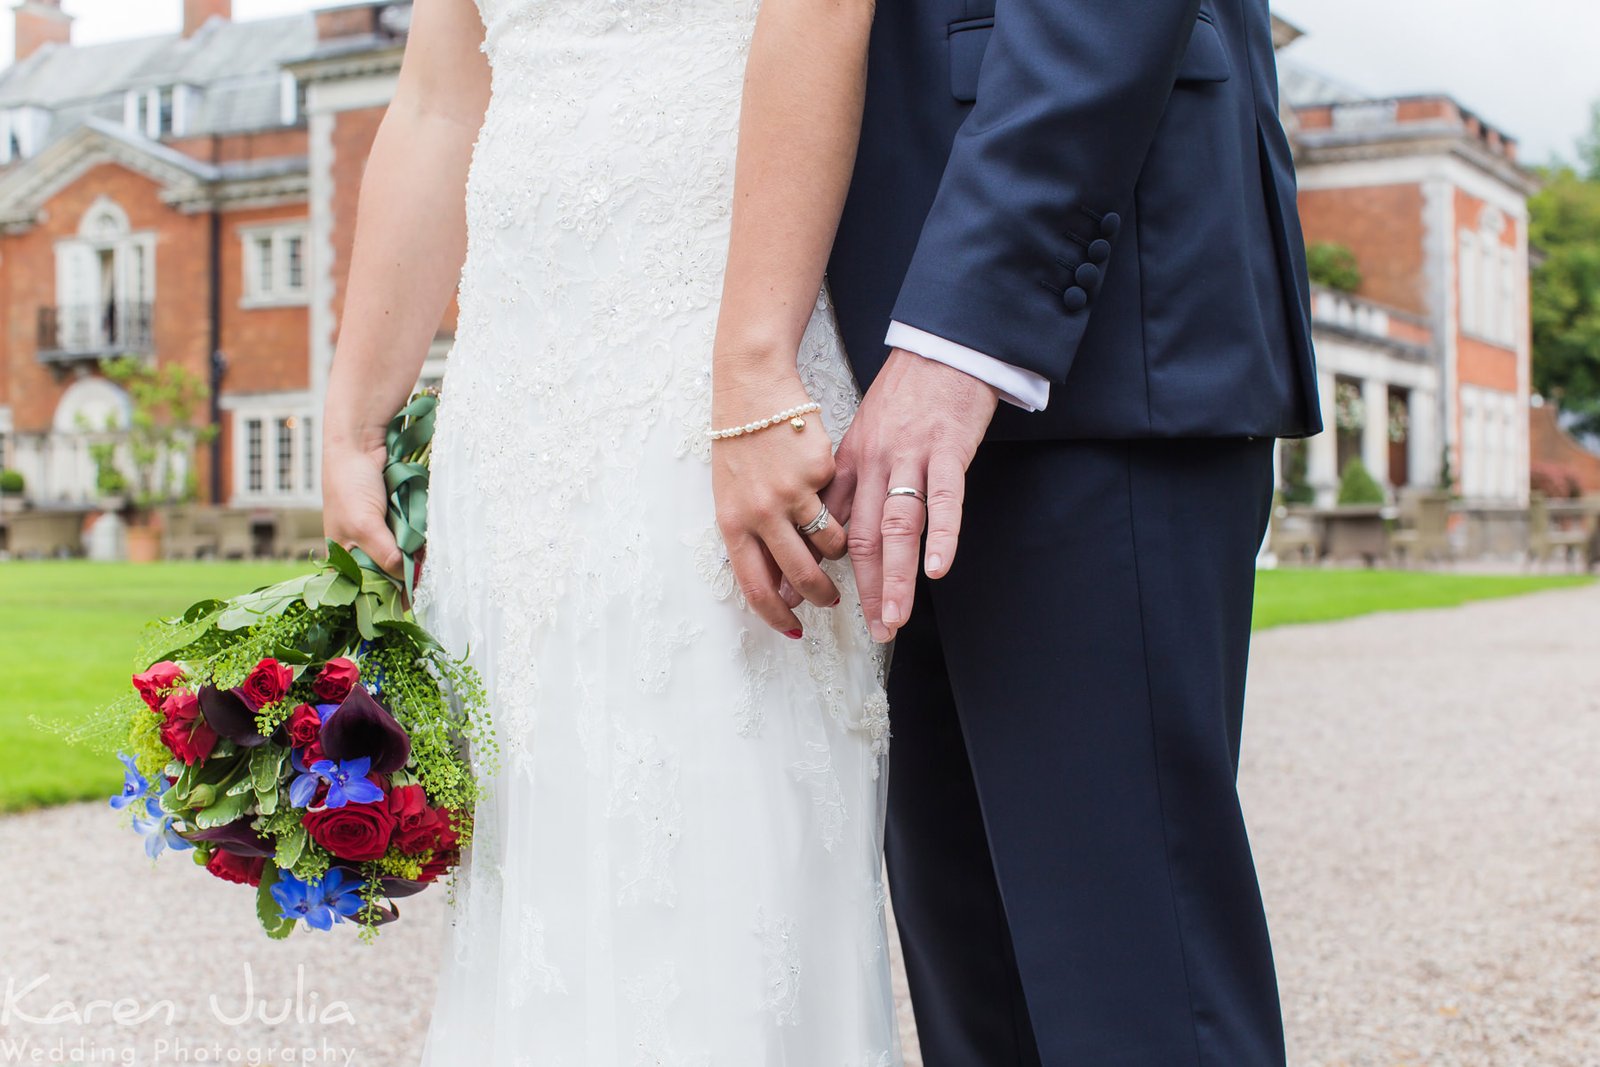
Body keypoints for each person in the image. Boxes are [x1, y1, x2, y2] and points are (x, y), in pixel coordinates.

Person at [320, 0, 899, 1061]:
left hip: (712, 335)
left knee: (715, 811)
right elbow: (439, 99)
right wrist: (356, 414)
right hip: (517, 379)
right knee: (537, 827)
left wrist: (755, 374)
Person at [808, 0, 1323, 1062]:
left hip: (1093, 330)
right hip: (853, 373)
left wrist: (963, 330)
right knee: (982, 1006)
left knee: (1132, 1002)